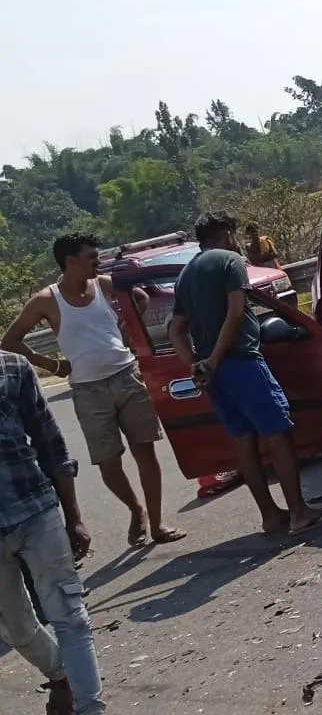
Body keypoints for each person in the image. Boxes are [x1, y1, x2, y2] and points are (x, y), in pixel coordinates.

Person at [2, 233, 186, 548]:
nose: (97, 262)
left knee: (145, 452)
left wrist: (128, 330)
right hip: (88, 390)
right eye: (91, 257)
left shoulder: (103, 284)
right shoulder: (47, 300)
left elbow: (141, 298)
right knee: (108, 465)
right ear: (70, 261)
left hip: (127, 377)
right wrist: (51, 365)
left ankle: (157, 523)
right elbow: (10, 340)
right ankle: (135, 508)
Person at [169, 211, 322, 534]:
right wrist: (217, 358)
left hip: (215, 374)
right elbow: (236, 313)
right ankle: (298, 513)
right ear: (226, 235)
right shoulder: (230, 261)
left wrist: (197, 362)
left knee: (243, 439)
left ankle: (270, 515)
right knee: (278, 431)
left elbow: (175, 330)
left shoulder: (185, 275)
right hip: (241, 362)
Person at [0, 351, 106, 715]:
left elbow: (49, 442)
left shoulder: (13, 367)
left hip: (35, 511)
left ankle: (90, 708)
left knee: (69, 614)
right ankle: (61, 677)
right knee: (15, 629)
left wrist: (74, 517)